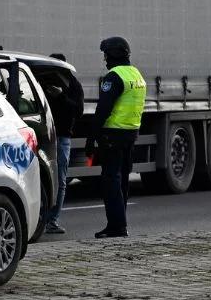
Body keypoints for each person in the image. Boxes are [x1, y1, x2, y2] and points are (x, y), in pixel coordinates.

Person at [85, 36, 146, 238]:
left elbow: (103, 109)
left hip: (113, 134)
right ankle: (121, 223)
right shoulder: (136, 74)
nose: (105, 60)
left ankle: (116, 226)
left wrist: (91, 137)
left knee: (111, 180)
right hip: (131, 134)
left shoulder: (113, 77)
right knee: (123, 181)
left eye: (106, 55)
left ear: (114, 54)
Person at [43, 53, 83, 235]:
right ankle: (43, 219)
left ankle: (52, 220)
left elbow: (78, 110)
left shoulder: (72, 85)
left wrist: (60, 96)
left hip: (62, 136)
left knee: (60, 179)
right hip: (44, 135)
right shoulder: (42, 81)